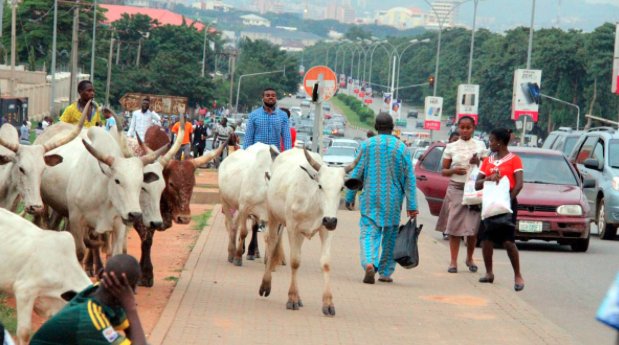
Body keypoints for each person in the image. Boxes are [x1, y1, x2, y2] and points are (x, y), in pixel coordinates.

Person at [345, 112, 418, 284]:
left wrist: (349, 196)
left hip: (370, 198)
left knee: (369, 233)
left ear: (376, 127)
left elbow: (357, 172)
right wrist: (412, 205)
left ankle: (369, 263)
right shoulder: (401, 148)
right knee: (390, 236)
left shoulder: (367, 145)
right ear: (393, 128)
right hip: (393, 200)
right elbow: (409, 179)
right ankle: (385, 272)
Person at [30, 254, 148, 345]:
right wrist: (131, 308)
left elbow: (132, 334)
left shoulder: (101, 292)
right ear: (127, 289)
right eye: (135, 285)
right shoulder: (90, 320)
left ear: (102, 274)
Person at [475, 128, 525, 291]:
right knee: (486, 239)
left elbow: (518, 184)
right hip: (490, 202)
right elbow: (477, 183)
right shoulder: (488, 160)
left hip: (506, 203)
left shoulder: (514, 160)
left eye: (491, 140)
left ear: (500, 142)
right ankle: (489, 273)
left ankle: (517, 275)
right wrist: (489, 178)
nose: (490, 143)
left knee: (508, 241)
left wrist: (507, 201)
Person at [438, 116, 487, 274]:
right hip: (457, 188)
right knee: (454, 225)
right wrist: (454, 170)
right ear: (458, 128)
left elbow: (486, 168)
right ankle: (453, 262)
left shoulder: (480, 145)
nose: (465, 130)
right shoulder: (451, 146)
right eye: (462, 127)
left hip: (474, 188)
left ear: (473, 128)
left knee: (472, 227)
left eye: (468, 127)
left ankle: (470, 258)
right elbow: (443, 171)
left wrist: (477, 162)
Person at [436, 130, 460, 240]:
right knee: (449, 209)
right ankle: (447, 230)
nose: (456, 143)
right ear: (449, 140)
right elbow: (443, 170)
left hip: (462, 184)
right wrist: (454, 170)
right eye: (454, 140)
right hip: (450, 183)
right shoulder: (447, 153)